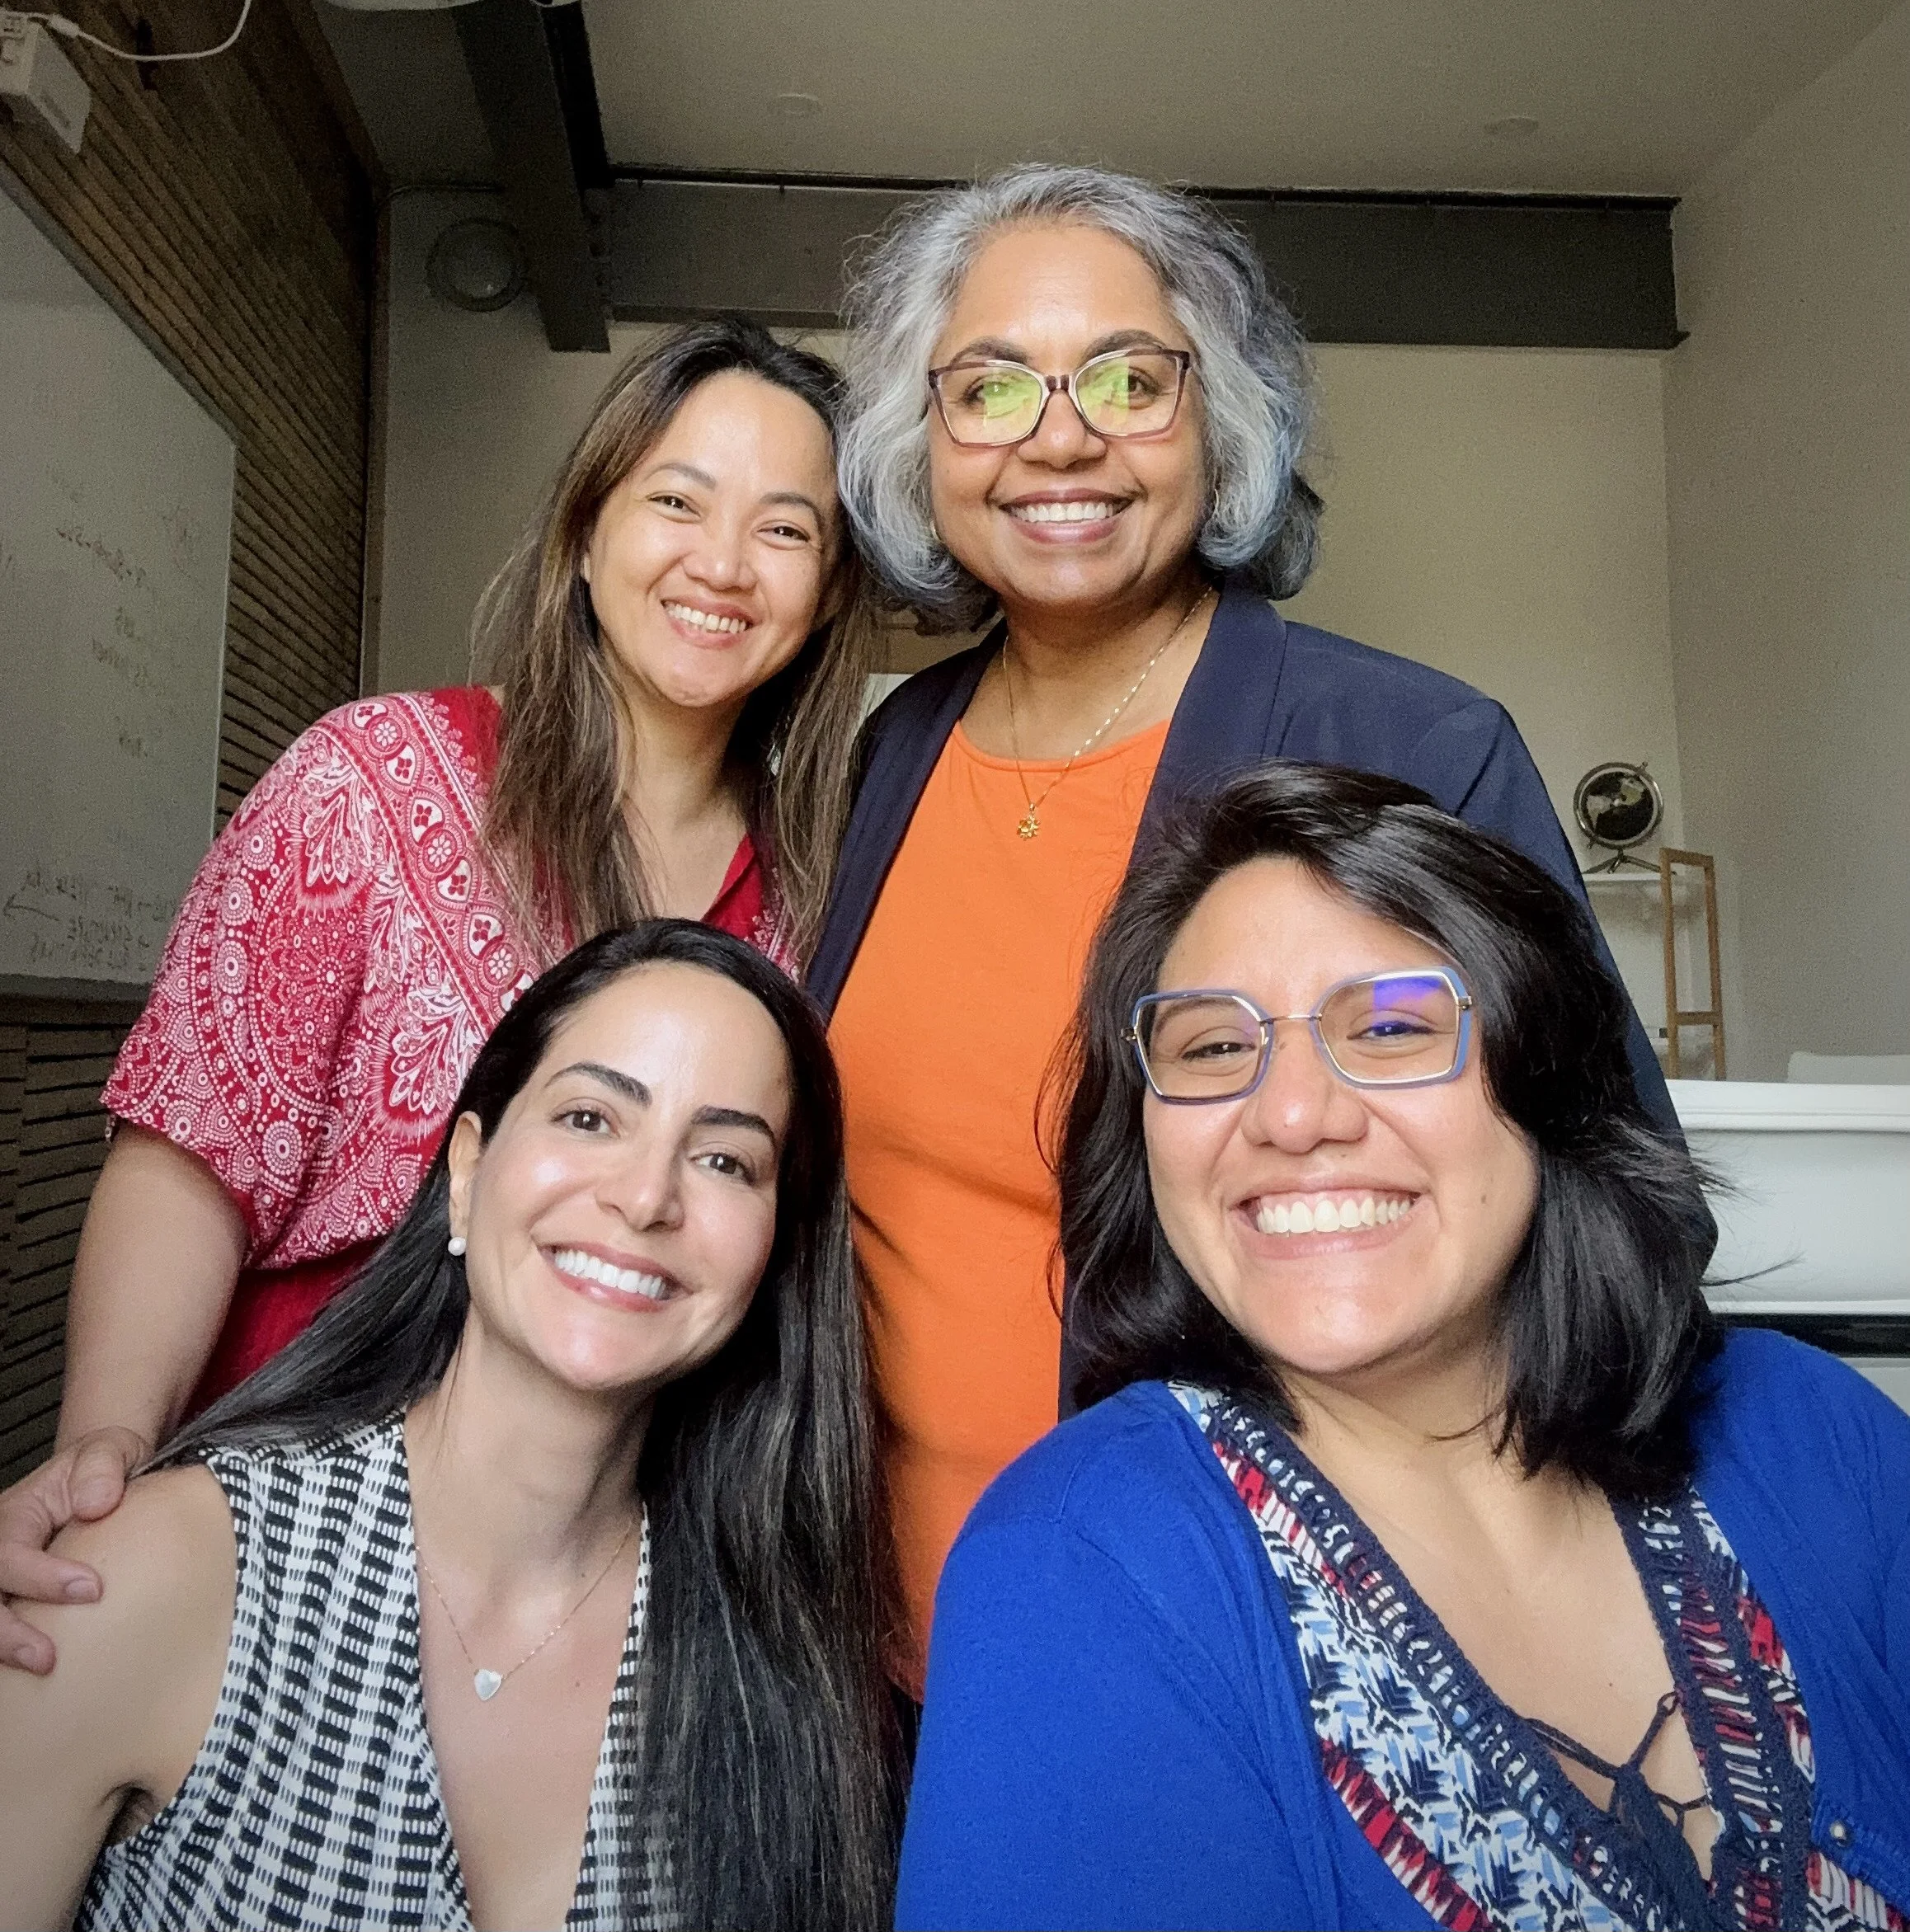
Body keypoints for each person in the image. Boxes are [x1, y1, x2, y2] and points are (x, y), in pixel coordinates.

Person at [814, 162, 1681, 1689]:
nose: (1060, 434)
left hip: (1250, 1657)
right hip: (875, 1652)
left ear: (1219, 427)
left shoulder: (1408, 739)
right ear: (919, 443)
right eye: (990, 385)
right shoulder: (897, 751)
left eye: (1129, 378)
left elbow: (1621, 1199)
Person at [0, 319, 879, 1673]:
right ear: (585, 536)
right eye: (676, 500)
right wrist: (109, 1437)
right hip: (288, 1509)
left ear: (827, 593)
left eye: (786, 529)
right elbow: (196, 1143)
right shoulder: (367, 778)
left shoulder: (822, 893)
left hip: (620, 1559)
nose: (722, 563)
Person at [896, 764, 1910, 1932]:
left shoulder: (1812, 1432)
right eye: (1214, 1047)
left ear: (1547, 1077)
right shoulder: (1085, 1566)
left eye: (1388, 1026)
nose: (1289, 1114)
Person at [0, 921, 900, 1932]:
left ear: (775, 1257)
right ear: (469, 1170)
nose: (646, 1197)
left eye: (728, 1162)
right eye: (592, 1117)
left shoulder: (774, 1671)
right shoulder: (150, 1576)